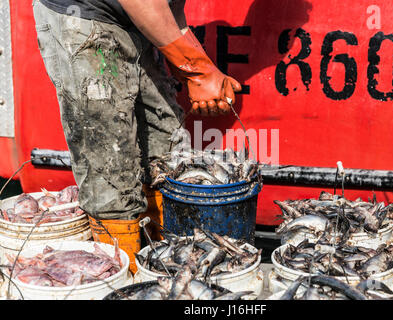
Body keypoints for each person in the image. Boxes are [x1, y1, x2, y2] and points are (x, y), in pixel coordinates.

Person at [32, 0, 242, 273]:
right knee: (110, 166)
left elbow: (171, 8)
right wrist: (198, 71)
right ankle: (124, 275)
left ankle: (165, 264)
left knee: (168, 152)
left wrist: (192, 64)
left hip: (137, 22)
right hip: (84, 15)